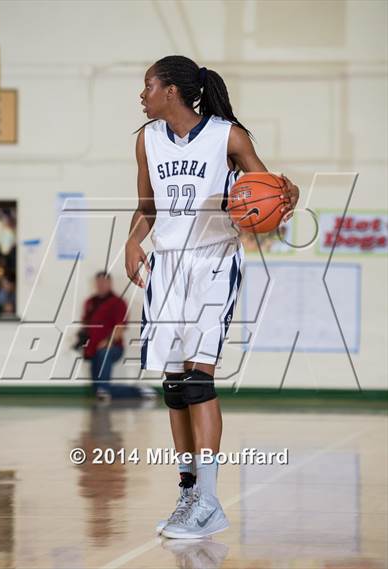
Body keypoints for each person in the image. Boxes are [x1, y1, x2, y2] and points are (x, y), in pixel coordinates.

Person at [125, 55, 300, 539]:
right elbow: (147, 207)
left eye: (147, 86)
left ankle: (209, 500)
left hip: (214, 261)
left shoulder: (228, 136)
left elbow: (271, 198)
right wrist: (132, 239)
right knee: (175, 387)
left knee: (199, 380)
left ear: (172, 91)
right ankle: (187, 494)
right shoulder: (147, 141)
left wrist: (292, 194)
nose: (141, 96)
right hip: (168, 266)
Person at [81, 271, 156, 402]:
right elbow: (86, 326)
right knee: (98, 388)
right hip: (93, 349)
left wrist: (107, 342)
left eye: (104, 282)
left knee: (104, 354)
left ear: (110, 283)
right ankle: (140, 391)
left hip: (112, 348)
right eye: (98, 282)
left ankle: (104, 390)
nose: (101, 285)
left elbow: (120, 327)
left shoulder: (118, 302)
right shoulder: (89, 302)